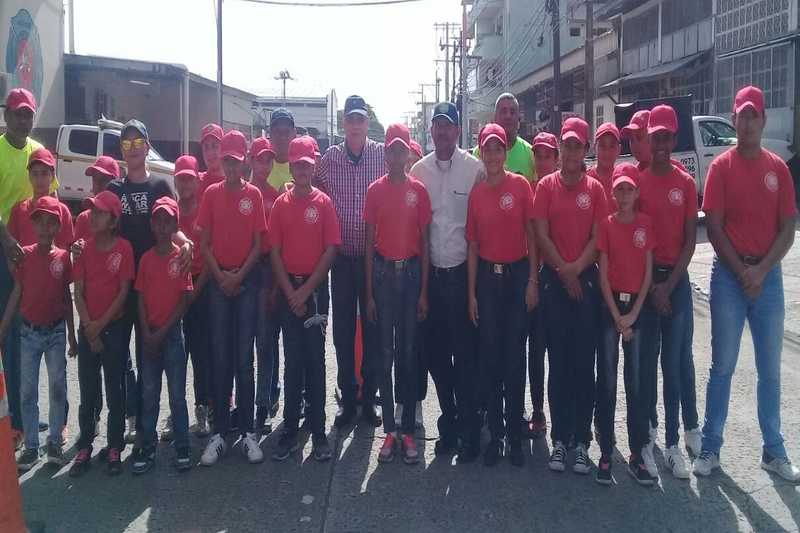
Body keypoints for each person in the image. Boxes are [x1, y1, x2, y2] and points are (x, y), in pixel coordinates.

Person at [695, 86, 800, 481]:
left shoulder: (778, 169)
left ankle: (773, 449)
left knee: (769, 370)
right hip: (729, 278)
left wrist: (761, 270)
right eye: (742, 115)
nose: (748, 122)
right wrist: (742, 271)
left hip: (768, 279)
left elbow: (788, 228)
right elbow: (714, 227)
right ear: (733, 119)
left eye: (754, 115)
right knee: (722, 366)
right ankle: (711, 446)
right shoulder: (721, 167)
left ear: (763, 119)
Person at [101, 119, 189, 447]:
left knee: (147, 357)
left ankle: (144, 427)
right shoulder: (113, 190)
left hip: (151, 287)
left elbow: (173, 227)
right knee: (119, 359)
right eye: (127, 144)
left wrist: (187, 243)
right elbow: (98, 228)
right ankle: (125, 420)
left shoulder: (160, 187)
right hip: (120, 286)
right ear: (121, 150)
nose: (133, 149)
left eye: (138, 143)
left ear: (148, 146)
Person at [533, 117, 607, 475]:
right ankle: (560, 439)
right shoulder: (546, 187)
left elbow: (598, 238)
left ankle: (581, 440)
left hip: (585, 281)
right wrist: (564, 270)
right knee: (559, 363)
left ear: (585, 149)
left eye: (578, 146)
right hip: (555, 280)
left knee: (583, 365)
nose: (572, 152)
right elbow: (542, 234)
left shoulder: (596, 190)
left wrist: (576, 269)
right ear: (560, 148)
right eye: (567, 145)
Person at [410, 102, 484, 461]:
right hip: (432, 278)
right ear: (432, 131)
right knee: (437, 358)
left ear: (457, 130)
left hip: (461, 276)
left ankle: (470, 430)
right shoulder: (418, 171)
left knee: (465, 357)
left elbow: (480, 229)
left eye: (448, 126)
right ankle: (449, 423)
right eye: (437, 126)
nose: (442, 132)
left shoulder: (474, 170)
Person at [467, 123, 538, 467]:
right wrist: (471, 293)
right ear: (481, 153)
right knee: (491, 358)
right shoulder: (477, 194)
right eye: (488, 149)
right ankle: (495, 435)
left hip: (517, 277)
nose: (493, 155)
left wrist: (533, 281)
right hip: (487, 280)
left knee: (514, 358)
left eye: (498, 148)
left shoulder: (521, 186)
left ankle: (515, 434)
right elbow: (473, 245)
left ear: (505, 152)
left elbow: (532, 235)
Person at [636, 105, 700, 480]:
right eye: (655, 137)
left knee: (673, 365)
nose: (660, 144)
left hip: (675, 282)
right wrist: (652, 288)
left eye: (666, 137)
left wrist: (668, 287)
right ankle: (648, 433)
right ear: (649, 140)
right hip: (647, 282)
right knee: (646, 364)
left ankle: (674, 442)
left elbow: (691, 241)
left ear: (674, 139)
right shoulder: (639, 182)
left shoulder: (685, 183)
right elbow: (635, 239)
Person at [268, 136, 340, 462]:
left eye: (307, 165)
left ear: (314, 166)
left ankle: (319, 432)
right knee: (293, 362)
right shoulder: (280, 206)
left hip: (315, 294)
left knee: (315, 361)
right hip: (289, 291)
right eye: (297, 165)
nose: (302, 171)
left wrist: (306, 291)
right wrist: (290, 292)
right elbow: (275, 252)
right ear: (291, 167)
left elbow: (331, 250)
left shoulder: (323, 203)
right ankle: (290, 431)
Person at [197, 130, 266, 467]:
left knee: (244, 360)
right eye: (226, 161)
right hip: (219, 282)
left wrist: (238, 276)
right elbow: (204, 243)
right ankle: (220, 432)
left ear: (245, 162)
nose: (231, 167)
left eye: (236, 161)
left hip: (246, 281)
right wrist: (222, 276)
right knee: (221, 358)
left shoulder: (253, 195)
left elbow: (258, 244)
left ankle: (248, 431)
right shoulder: (211, 194)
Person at [364, 124, 431, 465]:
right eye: (391, 149)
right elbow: (368, 244)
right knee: (386, 353)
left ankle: (407, 430)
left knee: (408, 352)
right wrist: (368, 294)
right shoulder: (375, 191)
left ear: (408, 153)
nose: (396, 155)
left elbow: (426, 243)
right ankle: (389, 429)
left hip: (411, 276)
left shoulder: (418, 190)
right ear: (385, 154)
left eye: (401, 149)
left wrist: (424, 292)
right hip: (383, 277)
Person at [316, 95, 384, 428]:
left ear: (367, 122)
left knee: (373, 329)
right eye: (350, 119)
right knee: (343, 332)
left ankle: (369, 398)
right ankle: (348, 396)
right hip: (342, 258)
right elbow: (313, 186)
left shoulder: (381, 155)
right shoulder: (329, 158)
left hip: (373, 257)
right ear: (343, 123)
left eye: (360, 119)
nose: (355, 125)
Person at [0, 88, 58, 446]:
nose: (23, 120)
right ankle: (17, 422)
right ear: (6, 115)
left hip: (33, 252)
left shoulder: (38, 151)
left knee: (32, 330)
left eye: (28, 114)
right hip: (5, 248)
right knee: (10, 333)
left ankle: (28, 413)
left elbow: (52, 198)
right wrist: (7, 241)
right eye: (17, 113)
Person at [0, 195, 75, 470]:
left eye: (50, 223)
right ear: (33, 226)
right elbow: (17, 293)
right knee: (27, 391)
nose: (45, 228)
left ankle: (54, 442)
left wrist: (72, 336)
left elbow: (66, 298)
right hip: (28, 334)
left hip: (55, 333)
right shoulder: (26, 256)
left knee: (57, 387)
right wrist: (2, 329)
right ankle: (31, 447)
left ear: (58, 227)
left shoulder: (63, 258)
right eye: (39, 222)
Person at [595, 165, 657, 486]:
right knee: (607, 379)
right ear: (613, 193)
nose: (623, 196)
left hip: (636, 309)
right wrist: (616, 315)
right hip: (610, 309)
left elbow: (647, 273)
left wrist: (633, 314)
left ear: (637, 193)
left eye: (629, 190)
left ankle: (636, 453)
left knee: (635, 382)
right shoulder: (606, 225)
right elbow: (603, 274)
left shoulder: (645, 224)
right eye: (619, 190)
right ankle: (606, 450)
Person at [69, 192, 135, 477]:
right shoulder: (83, 249)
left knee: (115, 389)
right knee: (88, 389)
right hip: (89, 329)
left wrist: (100, 325)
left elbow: (123, 292)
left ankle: (115, 446)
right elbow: (78, 292)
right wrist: (89, 327)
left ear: (113, 220)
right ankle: (85, 445)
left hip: (114, 327)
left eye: (100, 213)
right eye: (92, 212)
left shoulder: (124, 248)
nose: (93, 217)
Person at [131, 197, 193, 475]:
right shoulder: (145, 259)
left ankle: (183, 445)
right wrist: (146, 333)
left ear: (175, 225)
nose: (162, 225)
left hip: (172, 336)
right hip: (149, 336)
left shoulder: (180, 257)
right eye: (158, 220)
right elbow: (140, 297)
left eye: (168, 221)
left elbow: (184, 300)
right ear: (152, 224)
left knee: (177, 394)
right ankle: (148, 445)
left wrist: (163, 332)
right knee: (149, 394)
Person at [173, 155, 213, 438]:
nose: (185, 184)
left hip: (200, 287)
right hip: (175, 289)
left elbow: (210, 256)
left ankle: (202, 407)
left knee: (200, 353)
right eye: (181, 179)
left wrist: (194, 294)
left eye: (190, 178)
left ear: (197, 181)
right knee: (177, 354)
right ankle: (176, 414)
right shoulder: (170, 212)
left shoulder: (204, 211)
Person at [249, 137, 282, 431]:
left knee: (266, 342)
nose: (265, 165)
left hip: (267, 271)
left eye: (269, 160)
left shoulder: (275, 197)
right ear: (250, 161)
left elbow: (277, 246)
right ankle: (244, 403)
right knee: (241, 344)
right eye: (260, 159)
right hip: (242, 272)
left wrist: (274, 286)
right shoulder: (240, 193)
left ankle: (264, 403)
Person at [7, 148, 74, 249]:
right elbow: (11, 248)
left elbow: (66, 248)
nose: (39, 179)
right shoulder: (19, 210)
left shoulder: (62, 211)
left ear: (52, 176)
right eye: (35, 174)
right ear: (29, 177)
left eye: (44, 173)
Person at [473, 93, 536, 182]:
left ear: (519, 118)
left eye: (512, 112)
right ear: (495, 117)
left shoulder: (531, 154)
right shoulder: (478, 153)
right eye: (503, 111)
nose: (508, 116)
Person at [74, 156, 121, 242]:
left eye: (104, 180)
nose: (98, 184)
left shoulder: (122, 217)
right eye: (95, 179)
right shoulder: (84, 218)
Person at [587, 123, 622, 204]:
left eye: (612, 146)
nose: (607, 152)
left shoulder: (624, 181)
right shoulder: (585, 179)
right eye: (602, 146)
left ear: (619, 149)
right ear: (594, 147)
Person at [267, 109, 297, 191]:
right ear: (270, 134)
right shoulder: (261, 166)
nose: (282, 137)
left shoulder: (301, 168)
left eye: (286, 132)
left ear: (294, 134)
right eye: (277, 131)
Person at [198, 123, 225, 197]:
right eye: (206, 147)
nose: (210, 152)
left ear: (223, 148)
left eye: (214, 146)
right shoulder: (196, 182)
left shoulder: (233, 183)